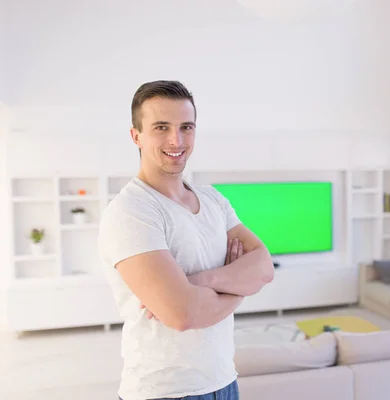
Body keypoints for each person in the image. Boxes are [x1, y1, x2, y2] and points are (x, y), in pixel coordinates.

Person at [97, 80, 274, 400]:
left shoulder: (213, 199)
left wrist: (202, 281)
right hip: (164, 392)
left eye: (186, 127)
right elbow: (182, 315)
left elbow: (264, 266)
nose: (175, 139)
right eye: (161, 127)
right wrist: (241, 284)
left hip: (224, 382)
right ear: (136, 135)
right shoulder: (131, 210)